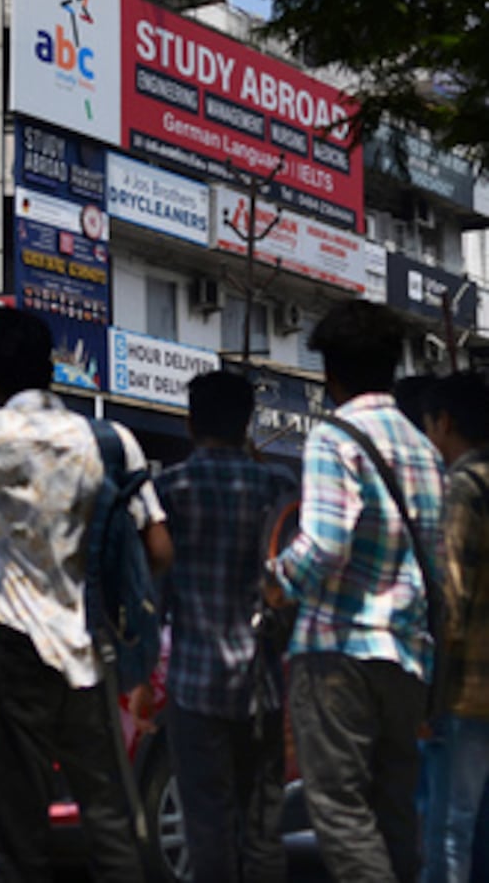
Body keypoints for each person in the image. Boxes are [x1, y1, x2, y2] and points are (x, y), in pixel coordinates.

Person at [0, 306, 172, 883]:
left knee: (22, 828)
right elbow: (160, 549)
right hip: (89, 647)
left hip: (18, 647)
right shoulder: (111, 440)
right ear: (51, 367)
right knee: (110, 818)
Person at [266, 299, 444, 882]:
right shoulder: (425, 450)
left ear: (331, 374)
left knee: (341, 812)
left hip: (337, 654)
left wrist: (277, 582)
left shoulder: (333, 438)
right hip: (407, 657)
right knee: (396, 814)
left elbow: (324, 544)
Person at [151, 369, 295, 883]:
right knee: (262, 827)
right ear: (248, 423)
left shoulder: (169, 490)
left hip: (194, 685)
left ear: (190, 424)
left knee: (207, 824)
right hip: (263, 684)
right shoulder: (278, 486)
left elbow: (155, 594)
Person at [419, 371, 489, 882]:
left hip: (468, 689)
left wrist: (429, 689)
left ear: (444, 422)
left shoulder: (464, 489)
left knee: (448, 827)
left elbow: (451, 598)